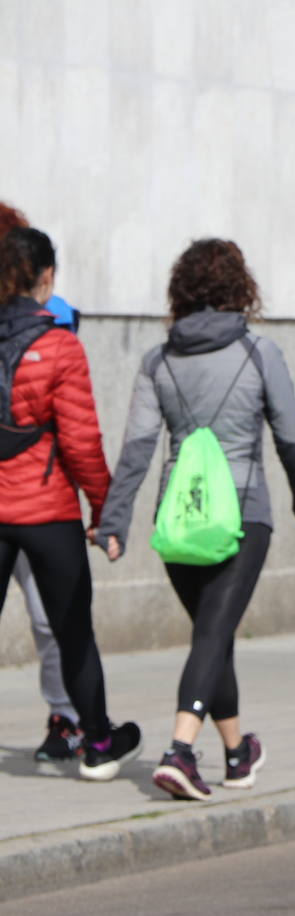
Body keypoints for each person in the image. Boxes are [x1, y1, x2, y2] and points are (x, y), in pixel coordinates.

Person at [98, 238, 295, 801]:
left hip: (178, 521)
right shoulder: (258, 352)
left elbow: (136, 449)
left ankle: (238, 752)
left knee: (212, 635)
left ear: (181, 291)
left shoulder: (158, 361)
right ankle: (179, 751)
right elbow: (292, 435)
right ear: (240, 288)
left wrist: (114, 521)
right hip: (242, 517)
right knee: (213, 634)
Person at [0, 225, 142, 780]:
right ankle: (99, 744)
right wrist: (106, 512)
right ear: (47, 277)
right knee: (72, 631)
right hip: (47, 512)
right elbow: (82, 443)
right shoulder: (61, 346)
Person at [0, 200, 85, 762]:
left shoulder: (54, 318)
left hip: (34, 495)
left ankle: (68, 717)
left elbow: (72, 420)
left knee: (48, 616)